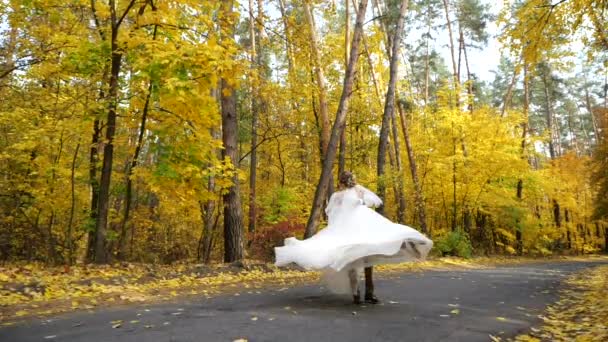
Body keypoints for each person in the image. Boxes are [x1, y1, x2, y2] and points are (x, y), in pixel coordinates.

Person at [275, 171, 433, 304]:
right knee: (367, 255)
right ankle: (369, 293)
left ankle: (357, 294)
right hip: (361, 227)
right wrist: (359, 200)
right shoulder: (357, 191)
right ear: (352, 181)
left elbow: (330, 212)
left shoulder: (337, 195)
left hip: (350, 228)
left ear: (341, 182)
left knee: (352, 258)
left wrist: (336, 226)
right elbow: (375, 202)